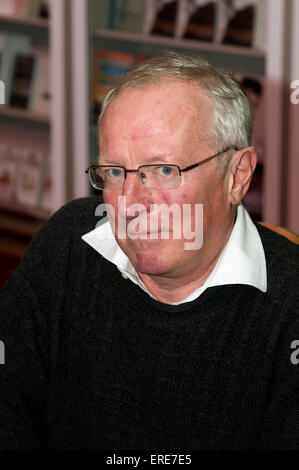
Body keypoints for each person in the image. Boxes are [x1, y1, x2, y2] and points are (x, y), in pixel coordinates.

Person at [0, 51, 298, 450]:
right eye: (115, 172)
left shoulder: (290, 304)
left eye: (163, 171)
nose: (132, 203)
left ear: (237, 176)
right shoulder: (70, 243)